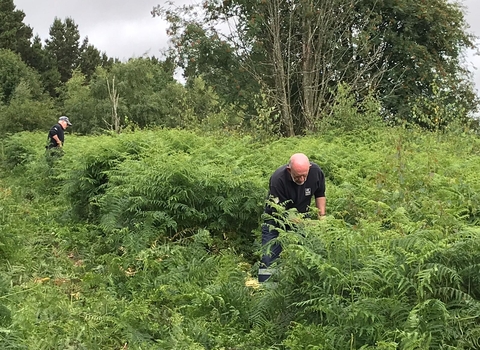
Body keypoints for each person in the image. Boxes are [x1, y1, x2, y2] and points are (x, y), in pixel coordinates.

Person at [258, 153, 326, 282]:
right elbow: (282, 213)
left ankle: (297, 289)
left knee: (306, 255)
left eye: (304, 175)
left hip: (302, 216)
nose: (301, 179)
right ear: (289, 170)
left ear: (309, 168)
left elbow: (320, 194)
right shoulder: (278, 180)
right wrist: (307, 224)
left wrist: (322, 218)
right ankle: (265, 290)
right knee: (269, 257)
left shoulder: (316, 172)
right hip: (276, 220)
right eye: (297, 176)